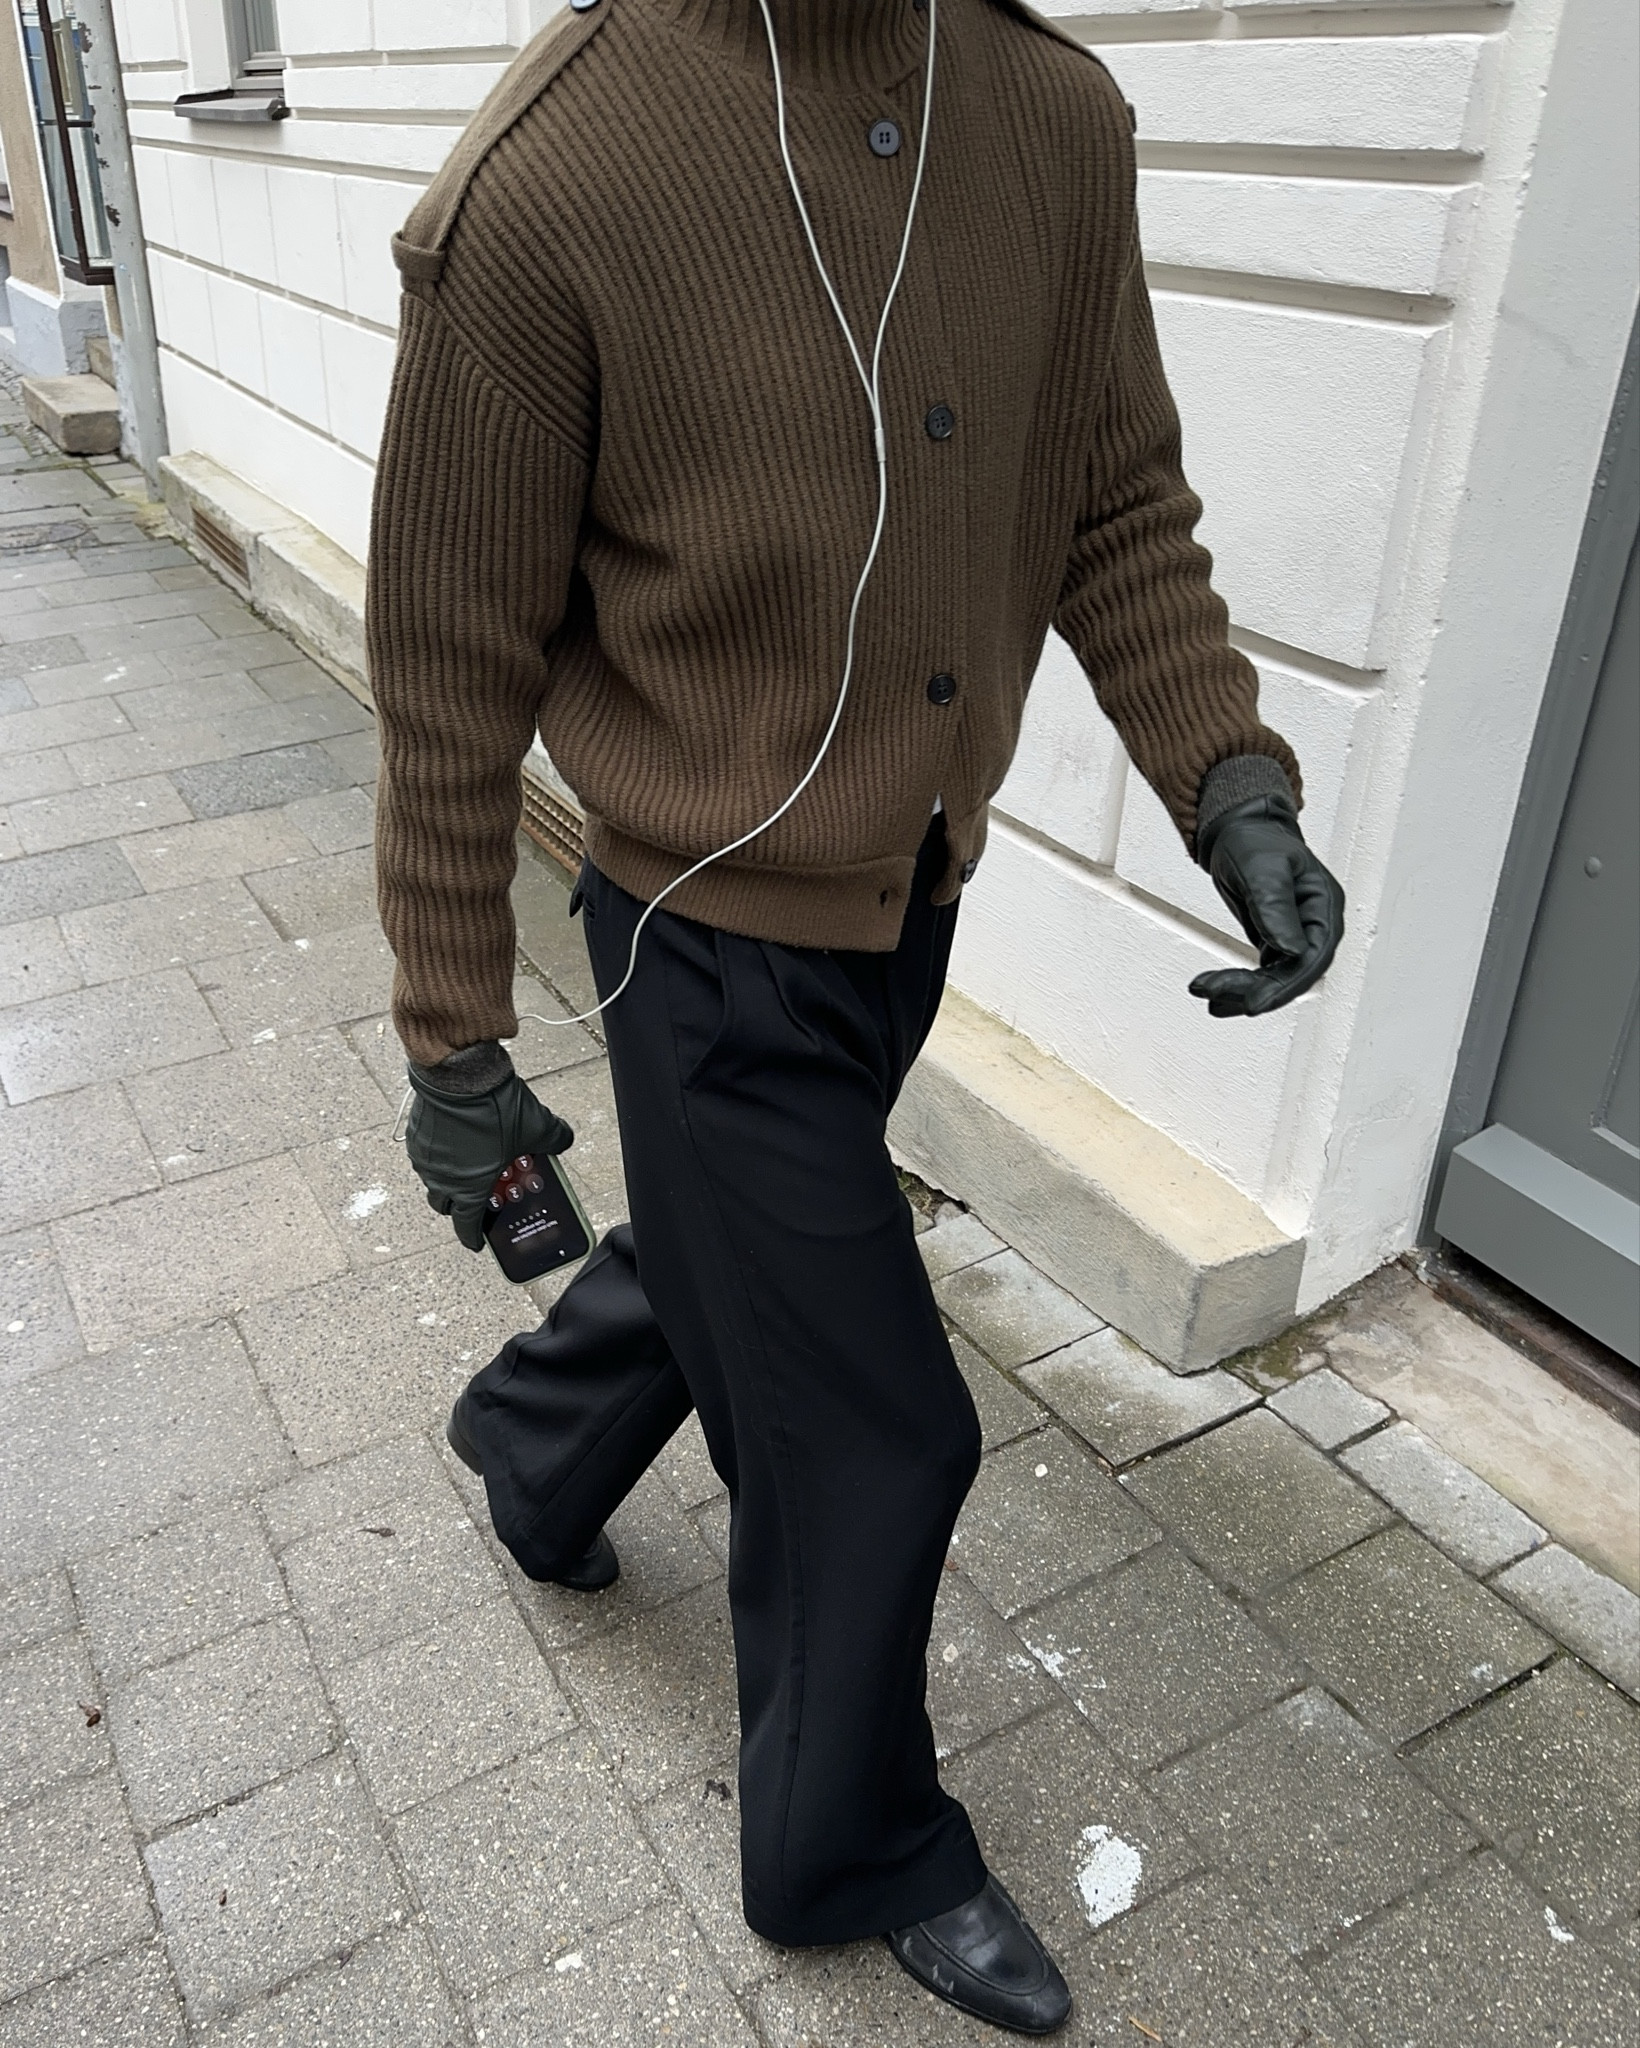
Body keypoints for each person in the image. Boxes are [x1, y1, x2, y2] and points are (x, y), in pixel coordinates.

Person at [367, 0, 1345, 2033]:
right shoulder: (550, 178)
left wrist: (1227, 783)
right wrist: (456, 1046)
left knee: (746, 1266)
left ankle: (535, 1442)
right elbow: (448, 666)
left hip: (909, 902)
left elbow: (1113, 501)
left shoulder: (1055, 118)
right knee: (873, 1426)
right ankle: (849, 1849)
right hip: (693, 936)